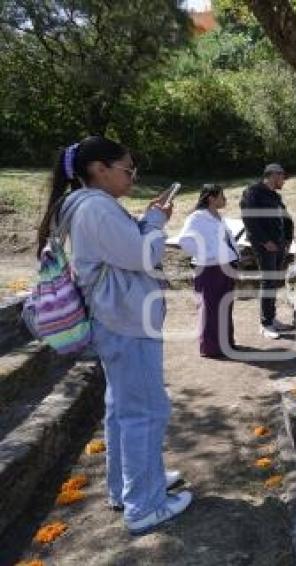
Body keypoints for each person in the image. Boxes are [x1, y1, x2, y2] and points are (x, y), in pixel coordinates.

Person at [37, 136, 191, 535]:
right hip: (125, 319)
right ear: (98, 170)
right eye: (127, 169)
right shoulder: (96, 208)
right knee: (146, 411)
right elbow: (145, 256)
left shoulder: (90, 206)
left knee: (124, 409)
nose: (132, 176)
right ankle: (144, 505)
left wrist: (145, 222)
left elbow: (125, 251)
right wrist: (156, 223)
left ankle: (129, 488)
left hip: (117, 318)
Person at [177, 184, 240, 359]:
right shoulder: (197, 217)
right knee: (210, 308)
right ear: (211, 198)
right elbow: (185, 241)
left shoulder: (218, 216)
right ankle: (210, 347)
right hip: (209, 269)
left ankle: (226, 343)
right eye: (221, 195)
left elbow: (226, 241)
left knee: (225, 306)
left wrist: (235, 256)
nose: (225, 199)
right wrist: (209, 255)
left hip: (226, 266)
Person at [239, 163, 294, 339]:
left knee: (273, 281)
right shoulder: (253, 192)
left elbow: (283, 218)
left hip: (279, 245)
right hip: (265, 246)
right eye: (282, 177)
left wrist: (287, 240)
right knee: (268, 281)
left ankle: (272, 318)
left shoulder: (274, 196)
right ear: (272, 175)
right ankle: (265, 324)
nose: (283, 181)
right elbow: (249, 220)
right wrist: (264, 241)